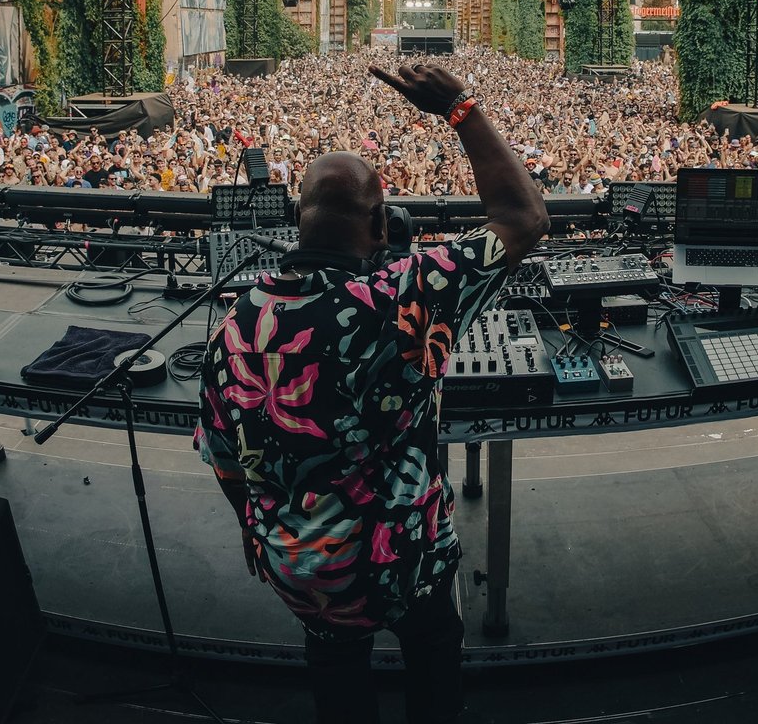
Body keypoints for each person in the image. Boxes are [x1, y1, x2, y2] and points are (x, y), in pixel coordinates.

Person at [195, 61, 550, 723]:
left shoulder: (234, 329)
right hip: (408, 557)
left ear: (299, 220)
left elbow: (225, 460)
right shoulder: (409, 294)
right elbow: (523, 217)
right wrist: (459, 109)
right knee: (434, 668)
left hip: (305, 569)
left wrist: (262, 530)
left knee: (337, 685)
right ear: (383, 226)